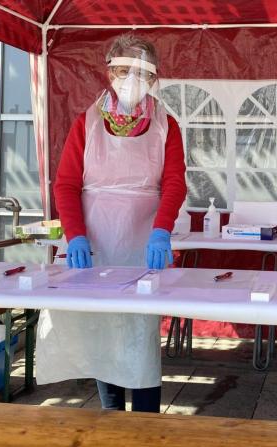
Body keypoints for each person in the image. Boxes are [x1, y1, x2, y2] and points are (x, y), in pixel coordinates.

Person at [36, 34, 186, 412]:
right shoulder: (85, 124)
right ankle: (111, 419)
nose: (130, 79)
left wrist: (161, 228)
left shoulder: (166, 126)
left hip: (142, 242)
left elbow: (173, 183)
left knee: (139, 333)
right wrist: (76, 237)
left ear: (154, 79)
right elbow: (67, 184)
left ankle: (147, 424)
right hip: (96, 242)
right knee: (103, 331)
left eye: (140, 73)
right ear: (109, 73)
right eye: (122, 70)